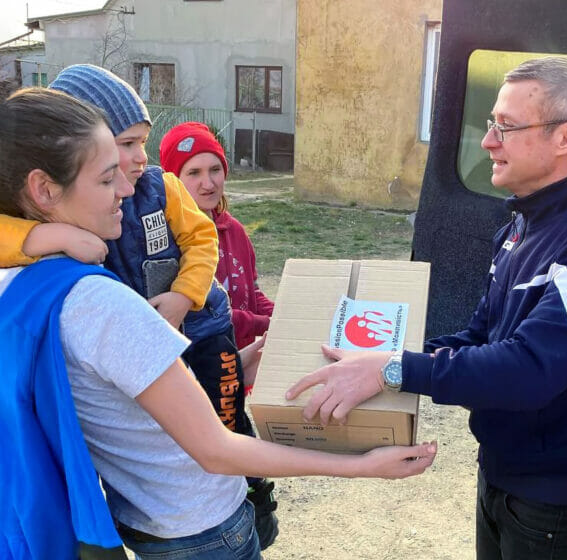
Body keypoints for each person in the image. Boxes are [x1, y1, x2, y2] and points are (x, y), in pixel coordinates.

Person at [0, 87, 437, 560]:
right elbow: (215, 451)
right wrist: (361, 465)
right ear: (44, 189)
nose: (126, 190)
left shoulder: (21, 285)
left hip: (147, 519)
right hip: (202, 527)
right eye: (108, 179)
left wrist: (239, 362)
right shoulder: (99, 301)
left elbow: (117, 395)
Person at [286, 57, 567, 560]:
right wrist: (373, 362)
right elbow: (481, 336)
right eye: (490, 124)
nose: (487, 142)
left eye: (507, 126)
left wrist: (394, 369)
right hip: (502, 464)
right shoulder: (522, 224)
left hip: (553, 490)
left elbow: (529, 370)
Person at [0, 64, 259, 550]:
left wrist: (184, 298)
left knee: (229, 413)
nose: (137, 160)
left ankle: (256, 497)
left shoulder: (159, 187)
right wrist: (50, 234)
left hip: (201, 329)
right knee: (200, 439)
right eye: (123, 146)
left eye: (143, 141)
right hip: (147, 361)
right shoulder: (82, 278)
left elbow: (203, 238)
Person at [159, 122, 274, 351]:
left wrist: (287, 314)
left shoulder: (235, 230)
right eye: (194, 173)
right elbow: (207, 313)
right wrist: (270, 324)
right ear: (174, 182)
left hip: (243, 365)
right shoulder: (168, 242)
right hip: (202, 370)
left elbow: (252, 294)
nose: (208, 184)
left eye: (215, 169)